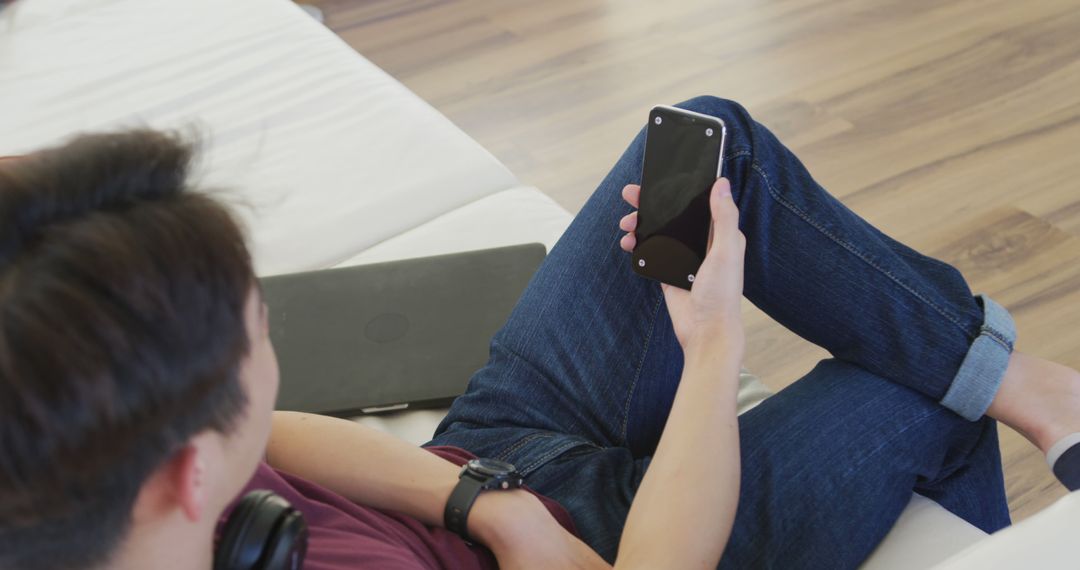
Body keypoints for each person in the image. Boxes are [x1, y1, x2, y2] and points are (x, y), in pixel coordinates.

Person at [0, 96, 1076, 570]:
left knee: (708, 140)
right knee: (932, 386)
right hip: (629, 542)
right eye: (256, 325)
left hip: (493, 458)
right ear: (189, 474)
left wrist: (485, 505)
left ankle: (1035, 388)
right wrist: (711, 350)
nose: (271, 322)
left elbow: (272, 434)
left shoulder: (91, 484)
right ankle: (1019, 416)